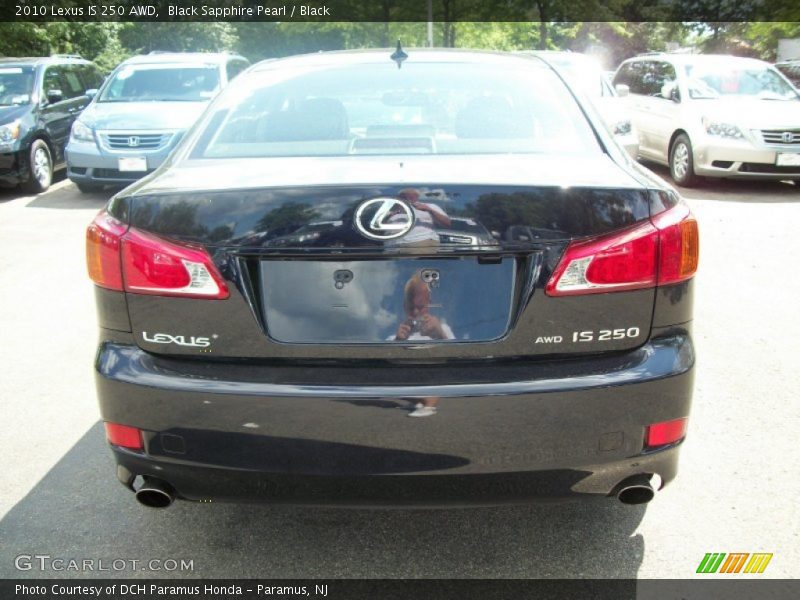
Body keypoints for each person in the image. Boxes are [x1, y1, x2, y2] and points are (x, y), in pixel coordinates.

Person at [392, 273, 454, 417]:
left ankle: (429, 403)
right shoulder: (403, 331)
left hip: (433, 378)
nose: (415, 312)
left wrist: (440, 334)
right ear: (404, 306)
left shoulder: (442, 327)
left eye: (420, 307)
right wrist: (398, 341)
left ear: (429, 304)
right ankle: (419, 399)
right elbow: (390, 361)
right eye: (410, 307)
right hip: (412, 377)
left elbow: (455, 357)